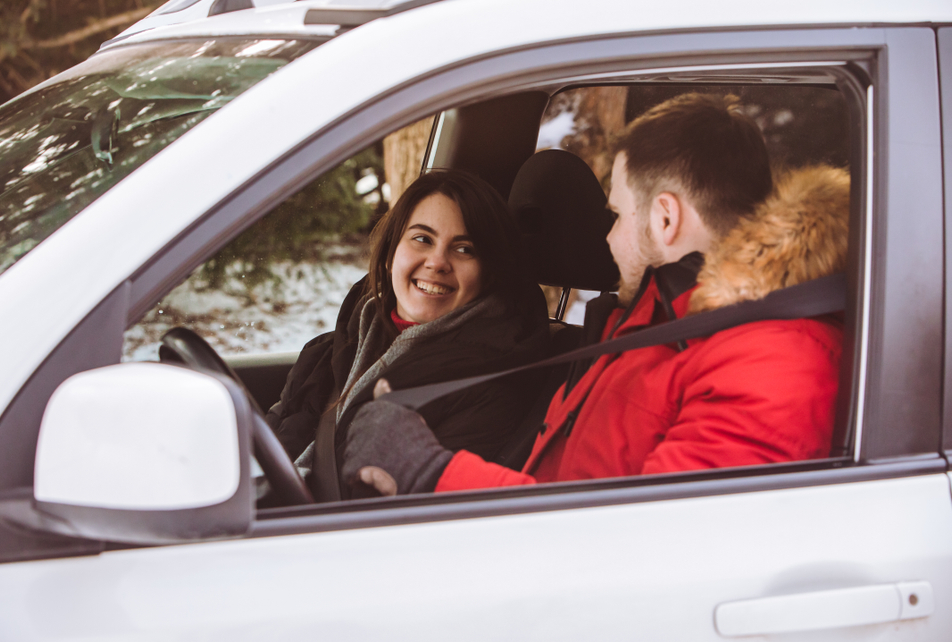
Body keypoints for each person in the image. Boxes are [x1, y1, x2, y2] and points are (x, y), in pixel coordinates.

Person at [341, 93, 848, 496]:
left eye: (617, 216)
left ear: (665, 219)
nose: (606, 239)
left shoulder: (771, 362)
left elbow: (646, 543)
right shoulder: (652, 320)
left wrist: (431, 471)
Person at [264, 169, 550, 497]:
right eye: (422, 239)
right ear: (390, 254)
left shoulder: (489, 390)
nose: (438, 262)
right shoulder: (327, 353)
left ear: (488, 274)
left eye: (464, 249)